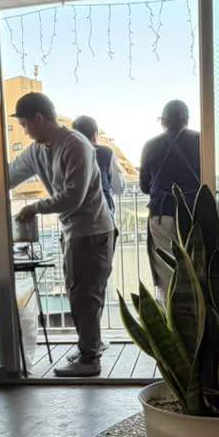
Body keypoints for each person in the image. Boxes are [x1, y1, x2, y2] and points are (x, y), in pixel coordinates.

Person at [0, 92, 114, 378]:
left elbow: (73, 197)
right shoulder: (38, 151)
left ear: (39, 118)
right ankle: (89, 346)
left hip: (93, 231)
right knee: (80, 293)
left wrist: (34, 207)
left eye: (25, 125)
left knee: (85, 296)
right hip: (75, 232)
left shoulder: (76, 145)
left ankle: (90, 359)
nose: (24, 131)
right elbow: (6, 176)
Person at [139, 99, 201, 299]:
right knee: (197, 270)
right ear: (187, 120)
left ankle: (171, 314)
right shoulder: (201, 140)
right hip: (194, 212)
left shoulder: (151, 145)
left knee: (167, 275)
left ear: (163, 121)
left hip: (162, 212)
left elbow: (144, 186)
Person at [71, 115, 126, 217]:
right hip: (103, 215)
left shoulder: (66, 154)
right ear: (95, 134)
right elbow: (119, 187)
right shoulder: (106, 153)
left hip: (74, 217)